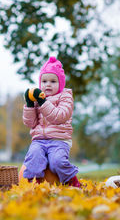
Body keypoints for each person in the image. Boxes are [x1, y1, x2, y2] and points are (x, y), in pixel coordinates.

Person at [22, 56, 80, 188]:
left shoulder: (65, 97)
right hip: (39, 140)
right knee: (33, 157)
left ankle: (72, 181)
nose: (48, 84)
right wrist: (30, 105)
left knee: (57, 162)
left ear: (61, 83)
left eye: (53, 81)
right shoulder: (37, 98)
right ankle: (33, 185)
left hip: (59, 140)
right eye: (44, 81)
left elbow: (59, 116)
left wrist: (43, 102)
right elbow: (30, 123)